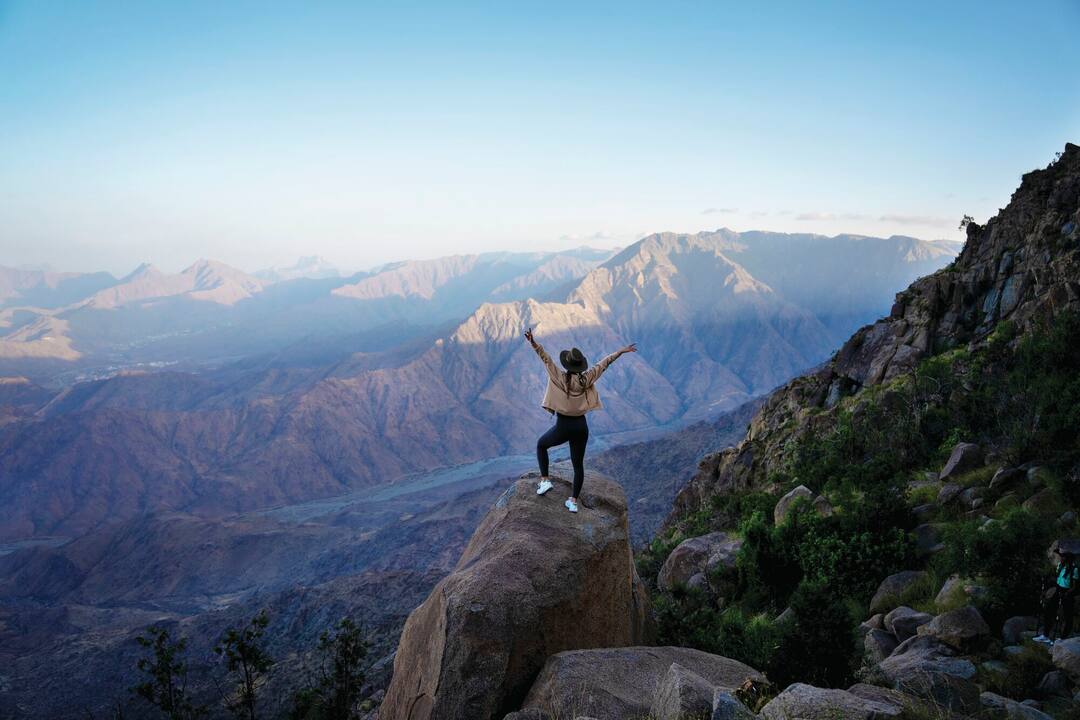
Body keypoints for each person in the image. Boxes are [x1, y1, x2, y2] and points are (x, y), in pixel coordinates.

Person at [524, 327, 636, 513]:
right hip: (581, 427)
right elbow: (604, 364)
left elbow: (546, 359)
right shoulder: (587, 379)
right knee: (578, 465)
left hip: (564, 426)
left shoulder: (559, 377)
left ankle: (545, 481)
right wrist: (620, 352)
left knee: (541, 445)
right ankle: (573, 502)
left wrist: (533, 343)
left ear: (567, 365)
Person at [1035, 548, 1080, 644]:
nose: (1060, 558)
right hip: (1058, 590)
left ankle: (1063, 638)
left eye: (1063, 556)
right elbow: (1057, 577)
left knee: (1067, 616)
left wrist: (1068, 593)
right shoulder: (1060, 566)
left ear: (1067, 558)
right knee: (1049, 611)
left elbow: (1075, 586)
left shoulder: (1074, 569)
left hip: (1067, 593)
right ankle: (1046, 635)